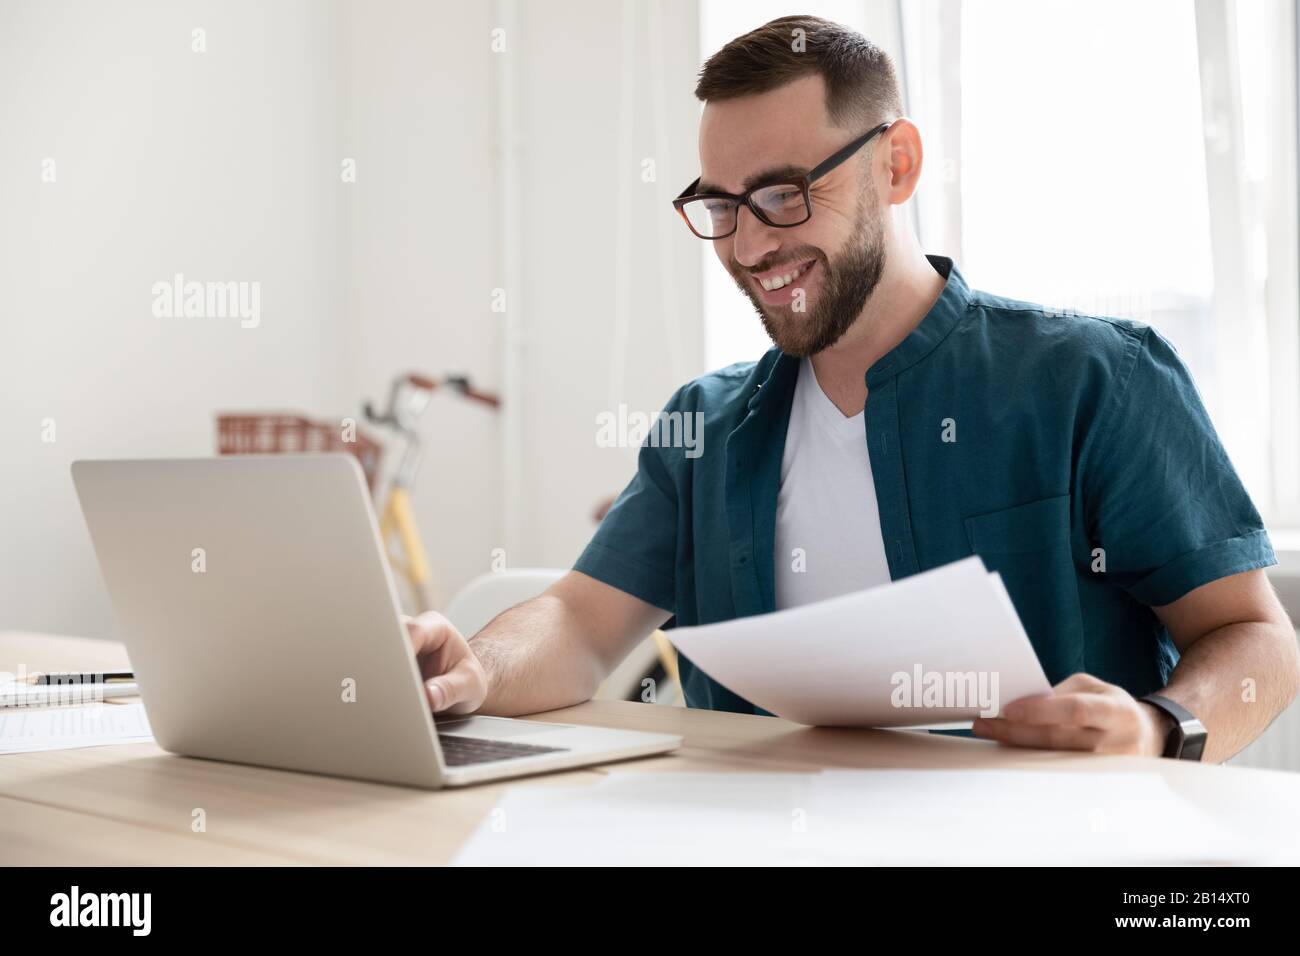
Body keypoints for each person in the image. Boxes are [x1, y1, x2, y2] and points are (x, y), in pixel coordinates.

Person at [406, 15, 1297, 762]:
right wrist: (473, 672)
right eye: (721, 207)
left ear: (896, 165)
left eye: (784, 194)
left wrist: (1155, 728)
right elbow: (577, 622)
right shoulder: (705, 426)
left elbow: (1260, 641)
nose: (750, 248)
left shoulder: (1095, 381)